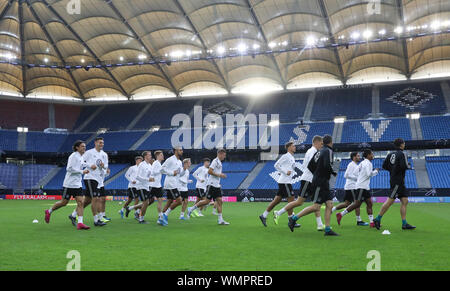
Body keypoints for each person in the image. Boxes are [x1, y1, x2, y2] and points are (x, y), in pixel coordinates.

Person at [288, 135, 339, 236]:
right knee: (316, 207)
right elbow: (327, 165)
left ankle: (328, 229)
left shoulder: (319, 152)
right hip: (321, 182)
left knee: (329, 204)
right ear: (331, 142)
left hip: (320, 181)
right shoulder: (328, 151)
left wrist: (316, 174)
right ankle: (294, 219)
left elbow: (311, 165)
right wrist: (332, 172)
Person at [272, 136, 325, 230]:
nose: (322, 145)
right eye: (321, 144)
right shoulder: (312, 152)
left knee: (316, 203)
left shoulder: (313, 152)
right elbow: (310, 166)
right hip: (308, 180)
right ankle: (279, 213)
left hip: (311, 180)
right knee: (299, 202)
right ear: (316, 143)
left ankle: (320, 224)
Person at [45, 140, 90, 230]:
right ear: (77, 147)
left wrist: (89, 165)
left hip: (77, 184)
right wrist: (82, 171)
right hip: (69, 184)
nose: (84, 148)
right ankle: (49, 211)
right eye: (82, 146)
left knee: (81, 202)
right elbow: (69, 169)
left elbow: (82, 164)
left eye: (85, 146)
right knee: (64, 203)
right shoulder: (73, 156)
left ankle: (80, 223)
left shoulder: (81, 157)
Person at [373, 138, 416, 230]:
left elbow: (384, 166)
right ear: (401, 145)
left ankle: (404, 223)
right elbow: (404, 166)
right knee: (390, 200)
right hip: (398, 181)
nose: (404, 145)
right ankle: (377, 219)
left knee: (405, 201)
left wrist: (392, 170)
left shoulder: (390, 154)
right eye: (404, 143)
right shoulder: (402, 153)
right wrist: (409, 165)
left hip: (396, 180)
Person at [69, 137, 109, 227]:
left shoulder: (104, 154)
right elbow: (81, 161)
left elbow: (106, 166)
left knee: (87, 200)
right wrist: (89, 166)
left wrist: (103, 166)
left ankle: (73, 215)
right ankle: (96, 220)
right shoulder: (89, 152)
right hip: (90, 177)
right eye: (100, 143)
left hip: (99, 179)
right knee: (96, 199)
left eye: (102, 143)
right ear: (95, 143)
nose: (101, 144)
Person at [259, 142, 298, 227]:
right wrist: (285, 171)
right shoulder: (286, 156)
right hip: (285, 182)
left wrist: (290, 173)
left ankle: (264, 215)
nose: (295, 147)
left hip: (284, 182)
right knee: (291, 201)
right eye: (293, 146)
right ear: (288, 148)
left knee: (277, 201)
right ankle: (291, 220)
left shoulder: (291, 157)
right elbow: (276, 165)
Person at [336, 149, 378, 227]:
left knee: (369, 203)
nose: (373, 155)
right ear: (368, 155)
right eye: (372, 154)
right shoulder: (368, 163)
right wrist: (375, 171)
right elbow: (369, 174)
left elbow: (355, 172)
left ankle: (372, 223)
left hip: (363, 186)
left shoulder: (362, 163)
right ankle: (340, 214)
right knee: (357, 204)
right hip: (362, 186)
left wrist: (360, 177)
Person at [187, 149, 229, 225]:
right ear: (220, 154)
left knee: (220, 201)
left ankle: (220, 220)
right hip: (211, 184)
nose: (225, 156)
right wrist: (220, 175)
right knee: (206, 201)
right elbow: (210, 171)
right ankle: (191, 209)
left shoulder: (219, 162)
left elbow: (215, 172)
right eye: (224, 155)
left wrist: (219, 177)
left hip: (216, 185)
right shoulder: (215, 161)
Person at [331, 152, 368, 226]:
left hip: (350, 187)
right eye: (358, 156)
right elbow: (346, 175)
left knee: (347, 203)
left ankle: (332, 209)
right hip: (352, 187)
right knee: (357, 203)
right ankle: (359, 220)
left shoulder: (354, 165)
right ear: (354, 157)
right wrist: (357, 179)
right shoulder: (352, 165)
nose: (359, 157)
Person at [159, 147, 184, 226]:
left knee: (169, 201)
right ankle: (165, 215)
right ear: (175, 151)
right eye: (180, 150)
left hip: (175, 183)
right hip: (170, 183)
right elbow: (162, 169)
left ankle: (160, 219)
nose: (182, 151)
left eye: (181, 150)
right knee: (179, 201)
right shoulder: (170, 159)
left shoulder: (180, 161)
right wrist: (172, 172)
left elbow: (178, 173)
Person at [134, 151, 155, 224]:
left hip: (147, 186)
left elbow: (149, 176)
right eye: (149, 155)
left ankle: (138, 213)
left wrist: (151, 179)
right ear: (145, 156)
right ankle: (141, 219)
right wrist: (148, 179)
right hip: (141, 186)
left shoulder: (149, 165)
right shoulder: (141, 165)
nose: (151, 156)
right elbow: (137, 177)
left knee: (148, 202)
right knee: (146, 202)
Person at [149, 150, 164, 222]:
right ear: (158, 156)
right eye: (161, 155)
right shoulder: (156, 163)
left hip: (158, 185)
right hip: (153, 185)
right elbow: (153, 172)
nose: (163, 156)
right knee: (147, 202)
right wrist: (161, 171)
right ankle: (136, 210)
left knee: (160, 200)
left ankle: (160, 215)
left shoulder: (159, 163)